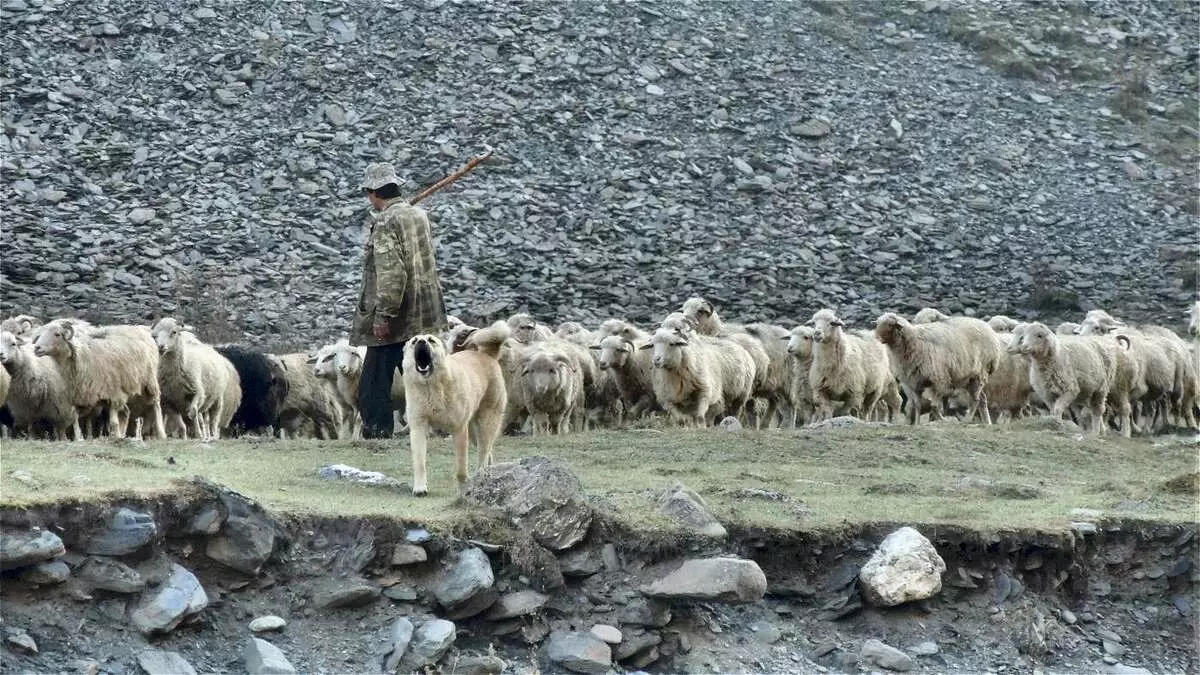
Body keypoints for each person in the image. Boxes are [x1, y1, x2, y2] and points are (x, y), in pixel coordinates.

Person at [350, 162, 449, 439]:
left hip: (397, 320)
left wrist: (384, 316)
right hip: (424, 315)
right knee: (424, 376)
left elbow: (392, 272)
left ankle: (377, 436)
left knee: (372, 386)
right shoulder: (417, 215)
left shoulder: (385, 221)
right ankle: (439, 427)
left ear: (373, 192)